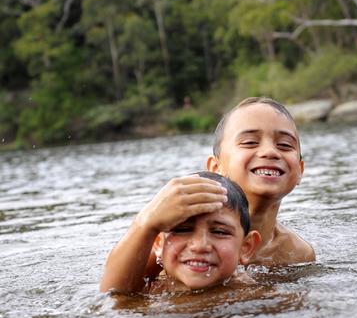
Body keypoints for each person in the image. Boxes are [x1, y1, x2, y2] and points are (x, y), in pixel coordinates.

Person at [100, 97, 315, 293]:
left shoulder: (297, 254)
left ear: (300, 171)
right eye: (250, 142)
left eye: (285, 145)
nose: (270, 152)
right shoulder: (171, 237)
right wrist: (145, 223)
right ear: (216, 167)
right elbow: (113, 293)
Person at [101, 172, 261, 294]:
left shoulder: (253, 296)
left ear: (246, 247)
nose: (200, 246)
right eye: (183, 230)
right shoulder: (148, 293)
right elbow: (113, 294)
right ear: (158, 243)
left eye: (219, 232)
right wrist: (146, 223)